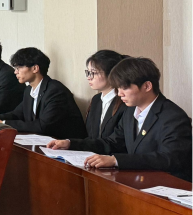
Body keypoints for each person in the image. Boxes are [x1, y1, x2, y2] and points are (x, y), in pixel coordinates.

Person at [48, 57, 193, 181]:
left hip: (167, 186)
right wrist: (71, 143)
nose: (119, 94)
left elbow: (168, 158)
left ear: (147, 86)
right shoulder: (130, 111)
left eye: (125, 88)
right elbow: (113, 142)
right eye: (117, 88)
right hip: (138, 181)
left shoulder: (173, 117)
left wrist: (116, 160)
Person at [0, 47, 86, 139]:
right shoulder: (29, 90)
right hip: (45, 141)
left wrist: (3, 123)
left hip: (66, 144)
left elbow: (43, 125)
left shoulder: (56, 91)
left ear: (35, 68)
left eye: (19, 68)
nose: (15, 72)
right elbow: (17, 114)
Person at [84, 50, 127, 140]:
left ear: (111, 74)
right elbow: (91, 137)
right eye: (88, 72)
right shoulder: (96, 99)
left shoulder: (125, 100)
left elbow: (117, 141)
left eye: (93, 73)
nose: (89, 77)